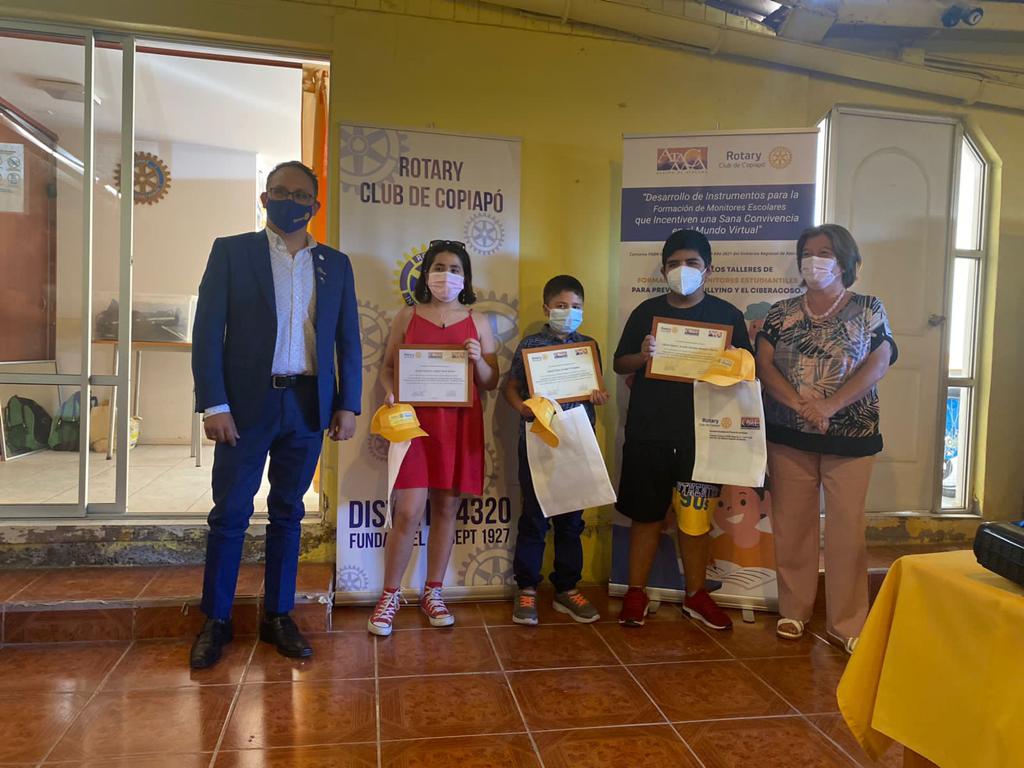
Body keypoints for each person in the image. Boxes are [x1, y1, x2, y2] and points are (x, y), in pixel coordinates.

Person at [189, 161, 361, 669]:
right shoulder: (232, 252)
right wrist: (215, 403)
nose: (291, 201)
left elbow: (347, 341)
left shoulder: (335, 264)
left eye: (301, 195)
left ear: (315, 205)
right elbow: (207, 333)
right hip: (244, 407)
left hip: (306, 405)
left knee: (288, 513)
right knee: (230, 514)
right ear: (265, 199)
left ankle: (278, 615)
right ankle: (216, 619)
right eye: (281, 192)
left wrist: (347, 403)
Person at [755, 223, 896, 654]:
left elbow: (879, 361)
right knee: (792, 526)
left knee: (846, 531)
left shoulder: (869, 307)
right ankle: (794, 611)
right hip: (789, 434)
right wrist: (803, 406)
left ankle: (847, 622)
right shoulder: (780, 312)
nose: (813, 260)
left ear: (844, 262)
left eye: (825, 253)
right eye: (808, 252)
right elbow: (764, 365)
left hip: (851, 434)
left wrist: (830, 406)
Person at [614, 229, 751, 630]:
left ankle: (696, 594)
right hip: (649, 431)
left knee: (695, 518)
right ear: (663, 271)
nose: (682, 270)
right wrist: (642, 355)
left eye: (691, 263)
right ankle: (635, 592)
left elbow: (748, 372)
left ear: (708, 269)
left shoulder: (728, 316)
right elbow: (620, 364)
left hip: (703, 435)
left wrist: (732, 362)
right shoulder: (646, 312)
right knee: (646, 515)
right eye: (674, 264)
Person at [367, 240, 499, 636]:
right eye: (439, 267)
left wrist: (478, 360)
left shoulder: (479, 320)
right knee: (408, 511)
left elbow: (491, 381)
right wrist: (391, 392)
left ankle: (433, 592)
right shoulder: (406, 316)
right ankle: (390, 595)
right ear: (426, 274)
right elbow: (388, 368)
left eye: (455, 269)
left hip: (458, 425)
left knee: (445, 508)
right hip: (414, 426)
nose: (447, 275)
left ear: (466, 277)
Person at [502, 275, 608, 625]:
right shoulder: (530, 345)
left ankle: (566, 588)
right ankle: (527, 588)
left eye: (576, 306)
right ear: (547, 308)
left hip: (577, 441)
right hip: (538, 440)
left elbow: (595, 388)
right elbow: (511, 387)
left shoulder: (588, 346)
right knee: (534, 518)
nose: (569, 312)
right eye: (562, 305)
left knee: (571, 520)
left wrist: (599, 396)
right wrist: (521, 408)